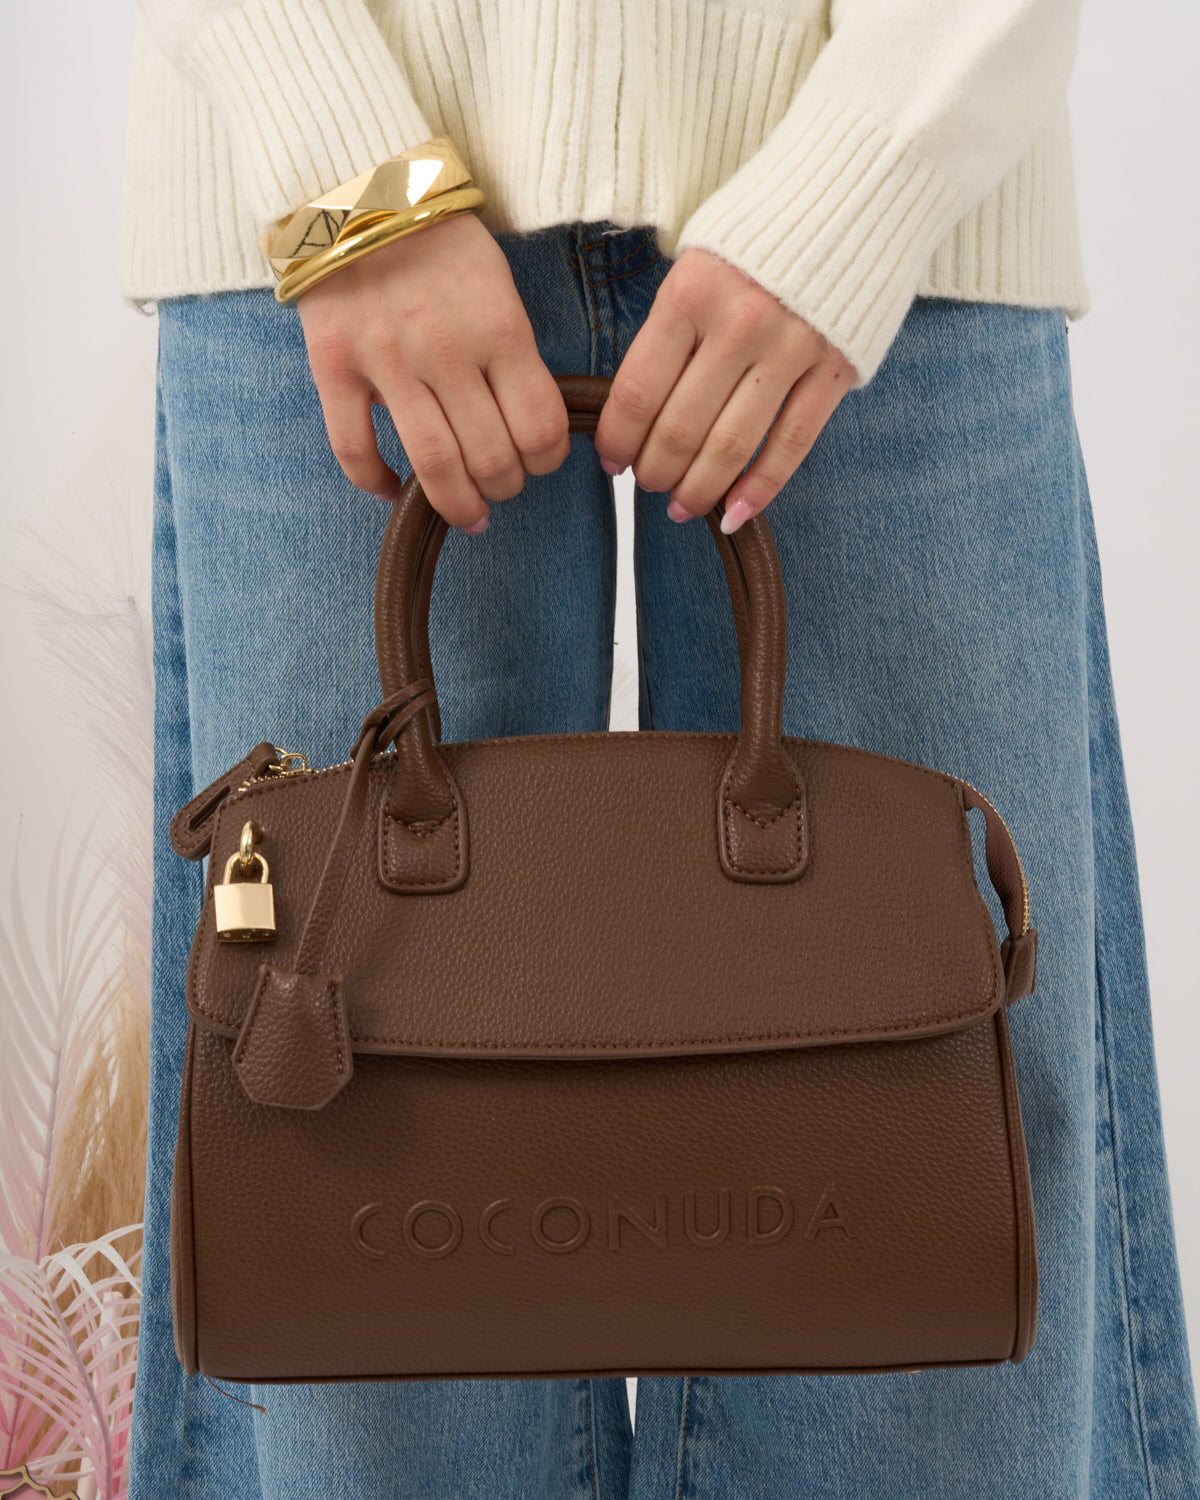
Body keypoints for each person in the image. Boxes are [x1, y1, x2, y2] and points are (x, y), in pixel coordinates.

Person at [119, 1, 1200, 1495]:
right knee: (351, 1345)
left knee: (929, 1278)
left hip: (898, 162)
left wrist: (861, 181)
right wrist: (341, 174)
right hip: (324, 210)